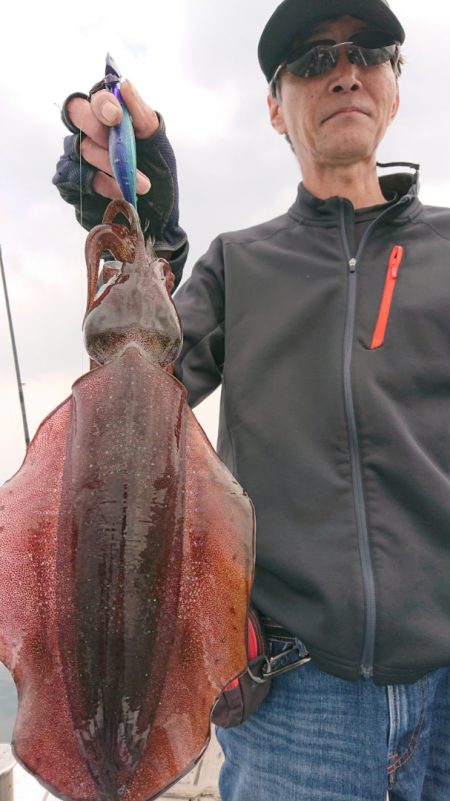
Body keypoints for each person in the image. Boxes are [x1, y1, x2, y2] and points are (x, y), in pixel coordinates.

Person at [53, 1, 450, 798]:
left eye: (367, 51)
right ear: (275, 107)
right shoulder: (240, 264)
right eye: (310, 60)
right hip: (298, 701)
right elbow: (142, 377)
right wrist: (149, 228)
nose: (343, 70)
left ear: (395, 88)